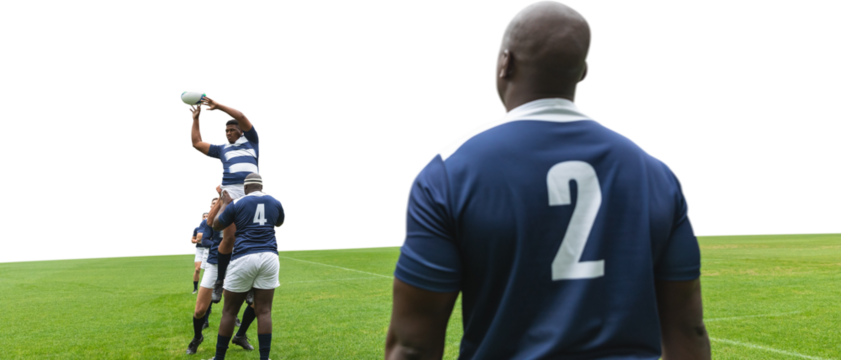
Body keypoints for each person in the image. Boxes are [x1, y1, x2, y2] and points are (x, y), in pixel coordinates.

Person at [386, 1, 710, 360]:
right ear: (585, 72)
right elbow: (687, 329)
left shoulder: (447, 172)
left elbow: (413, 346)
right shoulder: (657, 172)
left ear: (505, 63)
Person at [188, 96, 262, 303]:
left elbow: (241, 115)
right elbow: (196, 143)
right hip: (229, 199)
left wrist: (218, 106)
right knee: (228, 239)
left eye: (231, 130)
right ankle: (220, 281)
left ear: (241, 131)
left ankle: (248, 286)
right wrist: (196, 118)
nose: (228, 133)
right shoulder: (222, 150)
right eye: (225, 131)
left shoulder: (253, 143)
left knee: (248, 242)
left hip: (251, 198)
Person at [208, 173, 286, 360]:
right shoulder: (276, 201)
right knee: (265, 310)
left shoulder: (238, 203)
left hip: (244, 256)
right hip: (269, 257)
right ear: (263, 187)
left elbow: (217, 225)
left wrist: (226, 204)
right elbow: (281, 222)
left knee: (229, 311)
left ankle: (219, 358)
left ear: (245, 188)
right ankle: (264, 358)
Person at [186, 193, 257, 355]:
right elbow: (204, 240)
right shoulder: (211, 218)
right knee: (199, 310)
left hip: (240, 263)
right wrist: (220, 197)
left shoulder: (241, 211)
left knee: (255, 304)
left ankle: (240, 335)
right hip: (215, 264)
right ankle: (197, 338)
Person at [188, 213, 208, 294]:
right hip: (199, 249)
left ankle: (209, 288)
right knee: (197, 269)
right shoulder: (196, 228)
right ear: (201, 218)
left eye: (207, 216)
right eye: (204, 216)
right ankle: (195, 288)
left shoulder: (213, 227)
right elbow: (191, 240)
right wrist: (194, 241)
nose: (205, 218)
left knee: (209, 269)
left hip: (209, 249)